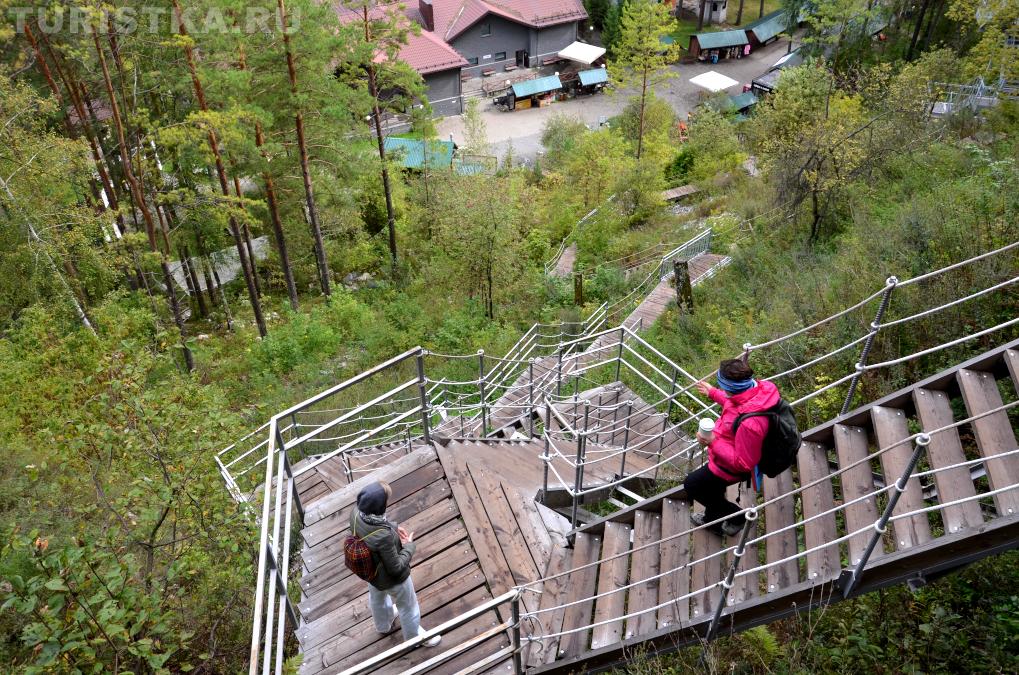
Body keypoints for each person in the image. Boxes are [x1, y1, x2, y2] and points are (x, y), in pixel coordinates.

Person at [686, 358, 779, 536]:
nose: (722, 390)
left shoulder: (751, 424)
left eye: (722, 386)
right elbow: (735, 404)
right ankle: (711, 522)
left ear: (731, 387)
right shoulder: (754, 390)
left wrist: (712, 442)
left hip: (728, 466)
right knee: (714, 490)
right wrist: (713, 393)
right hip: (725, 451)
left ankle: (739, 517)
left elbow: (744, 464)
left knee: (692, 485)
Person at [350, 481, 441, 647]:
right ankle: (414, 639)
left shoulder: (356, 513)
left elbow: (376, 526)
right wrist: (409, 547)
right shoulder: (383, 537)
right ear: (380, 508)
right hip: (393, 580)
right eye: (385, 502)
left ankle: (383, 625)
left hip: (372, 573)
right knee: (408, 606)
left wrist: (393, 527)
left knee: (377, 598)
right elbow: (396, 568)